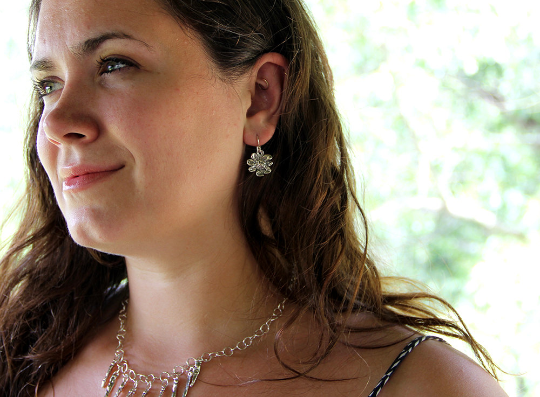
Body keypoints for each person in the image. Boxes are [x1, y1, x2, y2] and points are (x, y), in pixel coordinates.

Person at [0, 0, 508, 395]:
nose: (58, 122)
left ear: (261, 97)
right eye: (48, 84)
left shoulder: (421, 387)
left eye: (115, 64)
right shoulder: (16, 358)